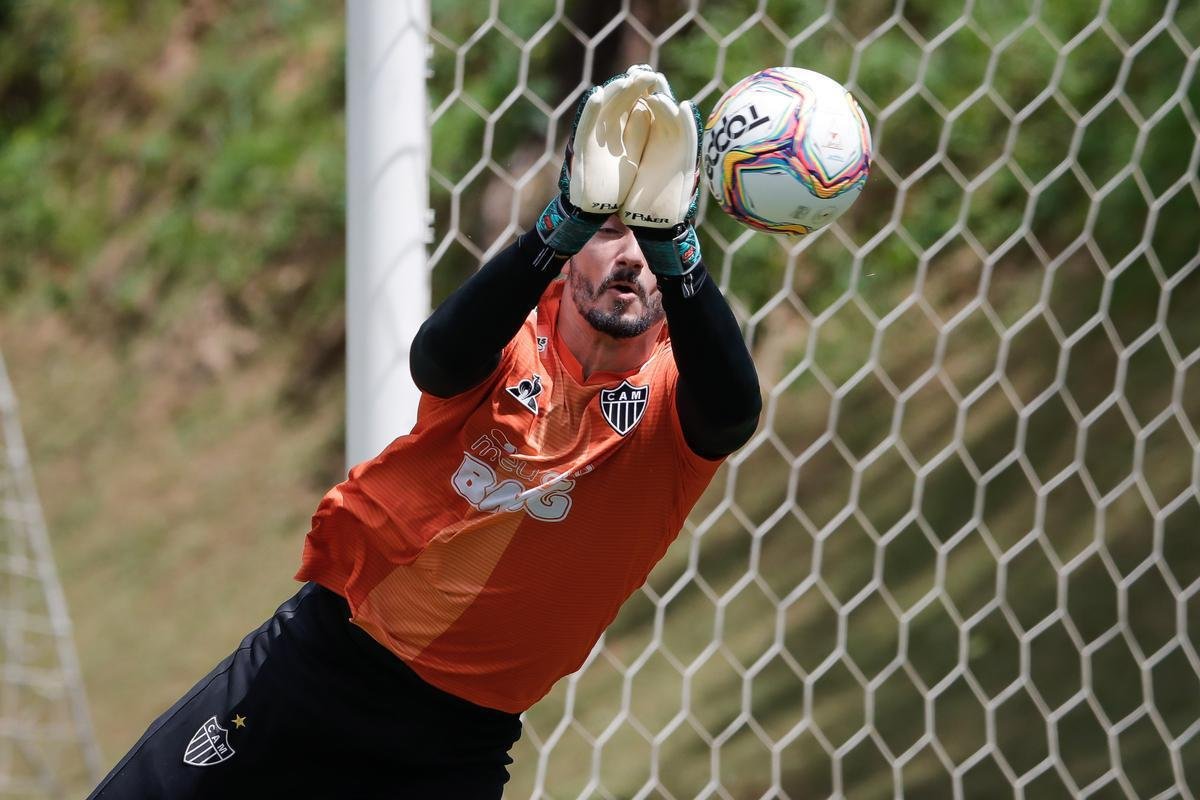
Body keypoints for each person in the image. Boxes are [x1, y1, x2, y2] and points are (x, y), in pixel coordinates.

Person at [89, 65, 761, 799]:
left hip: (450, 751)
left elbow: (734, 411)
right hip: (317, 668)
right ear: (571, 250)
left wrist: (676, 245)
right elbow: (436, 360)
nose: (631, 255)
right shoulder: (514, 334)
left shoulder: (678, 396)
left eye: (650, 240)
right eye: (607, 230)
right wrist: (559, 221)